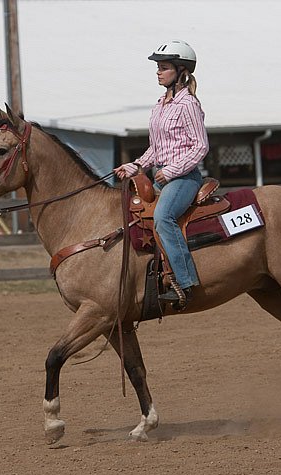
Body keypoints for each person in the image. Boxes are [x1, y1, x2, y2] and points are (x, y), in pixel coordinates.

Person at [114, 40, 209, 306]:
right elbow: (156, 149)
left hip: (184, 178)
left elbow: (201, 146)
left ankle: (185, 281)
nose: (158, 71)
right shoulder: (160, 105)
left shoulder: (187, 104)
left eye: (164, 67)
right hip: (165, 177)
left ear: (181, 71)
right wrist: (134, 166)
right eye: (158, 67)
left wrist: (172, 170)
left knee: (163, 216)